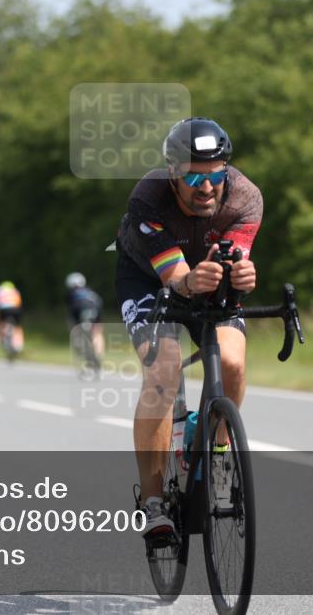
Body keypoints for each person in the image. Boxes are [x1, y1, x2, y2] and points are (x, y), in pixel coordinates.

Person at [115, 117, 262, 540]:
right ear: (173, 174)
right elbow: (176, 279)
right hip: (147, 275)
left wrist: (243, 276)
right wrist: (188, 281)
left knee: (232, 362)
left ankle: (216, 449)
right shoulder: (147, 197)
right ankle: (155, 500)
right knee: (165, 366)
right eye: (192, 175)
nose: (205, 186)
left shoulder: (247, 197)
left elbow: (235, 261)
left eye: (215, 175)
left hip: (209, 272)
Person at [64, 272, 105, 359]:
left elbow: (71, 309)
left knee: (75, 329)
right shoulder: (90, 291)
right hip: (96, 305)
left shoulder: (71, 293)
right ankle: (98, 355)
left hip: (78, 306)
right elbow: (99, 301)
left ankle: (81, 349)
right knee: (97, 332)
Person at [0, 281, 24, 354]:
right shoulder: (15, 291)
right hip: (16, 309)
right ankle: (19, 344)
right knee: (18, 326)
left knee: (0, 323)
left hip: (3, 310)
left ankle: (2, 340)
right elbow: (20, 302)